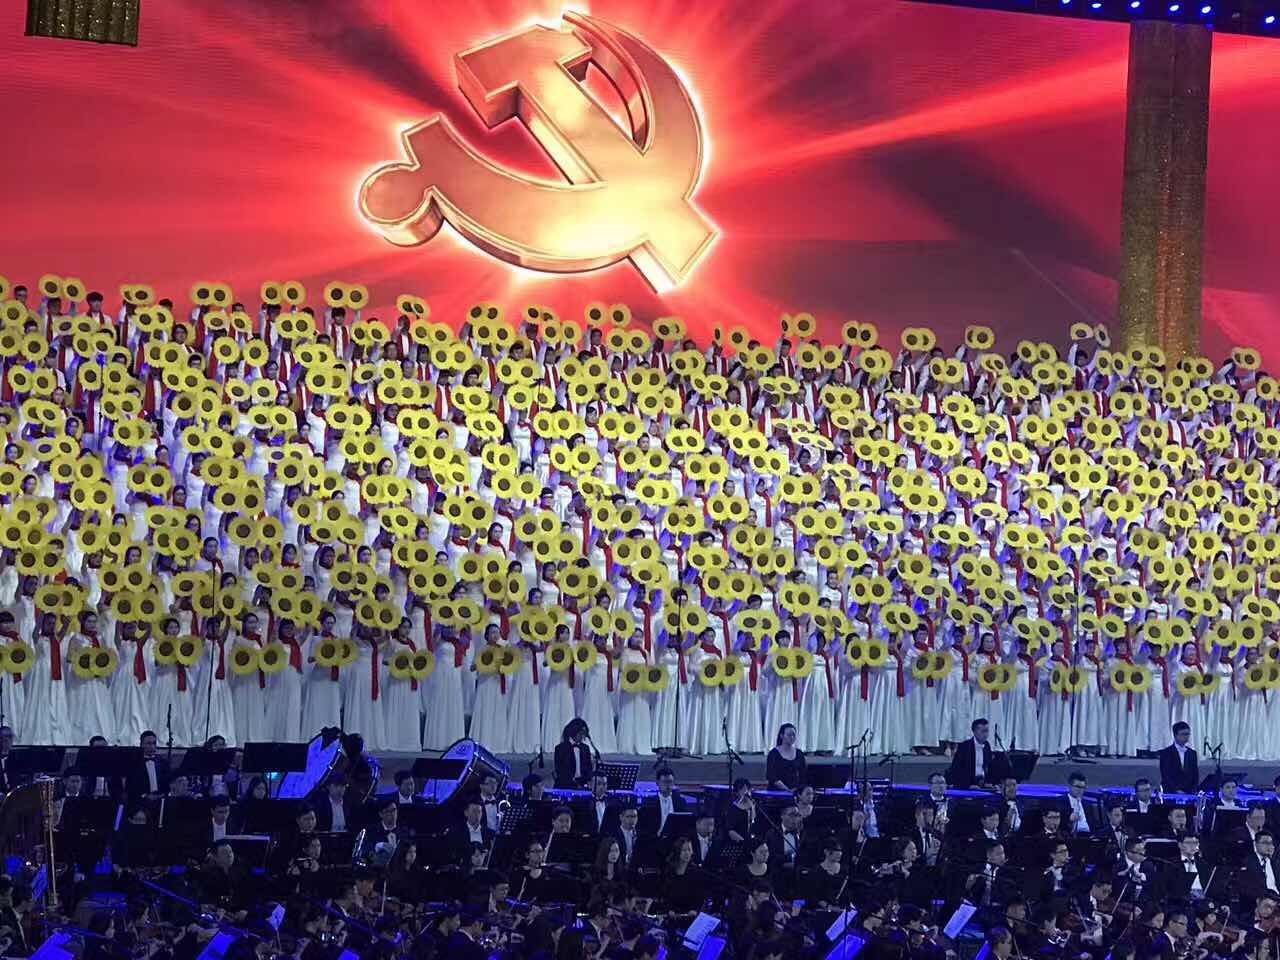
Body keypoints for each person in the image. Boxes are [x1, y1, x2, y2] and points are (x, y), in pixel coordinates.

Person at [947, 717, 995, 788]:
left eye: (987, 731)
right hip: (967, 783)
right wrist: (968, 785)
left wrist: (987, 782)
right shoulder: (965, 746)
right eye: (982, 731)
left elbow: (987, 766)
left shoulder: (987, 745)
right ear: (974, 732)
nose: (985, 734)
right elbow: (957, 769)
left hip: (982, 781)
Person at [1158, 721, 1199, 794]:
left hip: (1189, 792)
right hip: (1171, 792)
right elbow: (1166, 775)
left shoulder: (1192, 753)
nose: (1186, 737)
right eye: (1183, 734)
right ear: (1175, 735)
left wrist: (1193, 790)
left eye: (1188, 734)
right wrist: (1176, 790)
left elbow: (1195, 774)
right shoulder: (1166, 753)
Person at [553, 717, 594, 789]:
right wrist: (574, 785)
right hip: (565, 785)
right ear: (573, 732)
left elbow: (588, 769)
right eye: (580, 734)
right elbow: (561, 772)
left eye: (584, 734)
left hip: (582, 784)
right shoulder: (560, 749)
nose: (582, 737)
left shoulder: (585, 748)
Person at [766, 723, 806, 791]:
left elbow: (803, 775)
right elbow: (772, 776)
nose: (792, 737)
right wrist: (787, 790)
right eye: (789, 735)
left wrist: (797, 789)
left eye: (793, 735)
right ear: (781, 736)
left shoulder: (799, 753)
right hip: (776, 791)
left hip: (795, 791)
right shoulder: (773, 753)